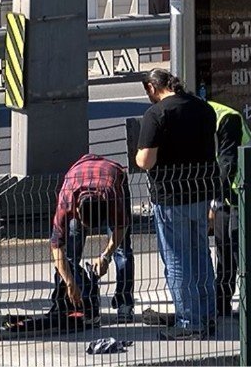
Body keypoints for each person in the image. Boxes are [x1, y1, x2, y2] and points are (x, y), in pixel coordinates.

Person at [136, 68, 219, 340]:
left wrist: (139, 158)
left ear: (152, 87)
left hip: (171, 196)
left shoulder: (157, 114)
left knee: (176, 260)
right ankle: (207, 315)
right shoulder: (203, 108)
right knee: (200, 256)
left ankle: (189, 323)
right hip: (201, 191)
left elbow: (145, 160)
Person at [49, 153, 135, 324]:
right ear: (77, 212)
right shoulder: (67, 198)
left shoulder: (111, 193)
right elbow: (56, 246)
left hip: (111, 174)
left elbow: (121, 227)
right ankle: (68, 301)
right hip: (78, 176)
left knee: (122, 249)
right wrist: (70, 282)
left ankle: (124, 302)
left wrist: (106, 255)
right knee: (70, 251)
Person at [207, 101, 251, 318]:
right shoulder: (206, 118)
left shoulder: (227, 118)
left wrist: (213, 202)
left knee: (239, 248)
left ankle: (248, 305)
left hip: (245, 189)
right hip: (226, 192)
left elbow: (227, 162)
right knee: (223, 248)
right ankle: (222, 305)